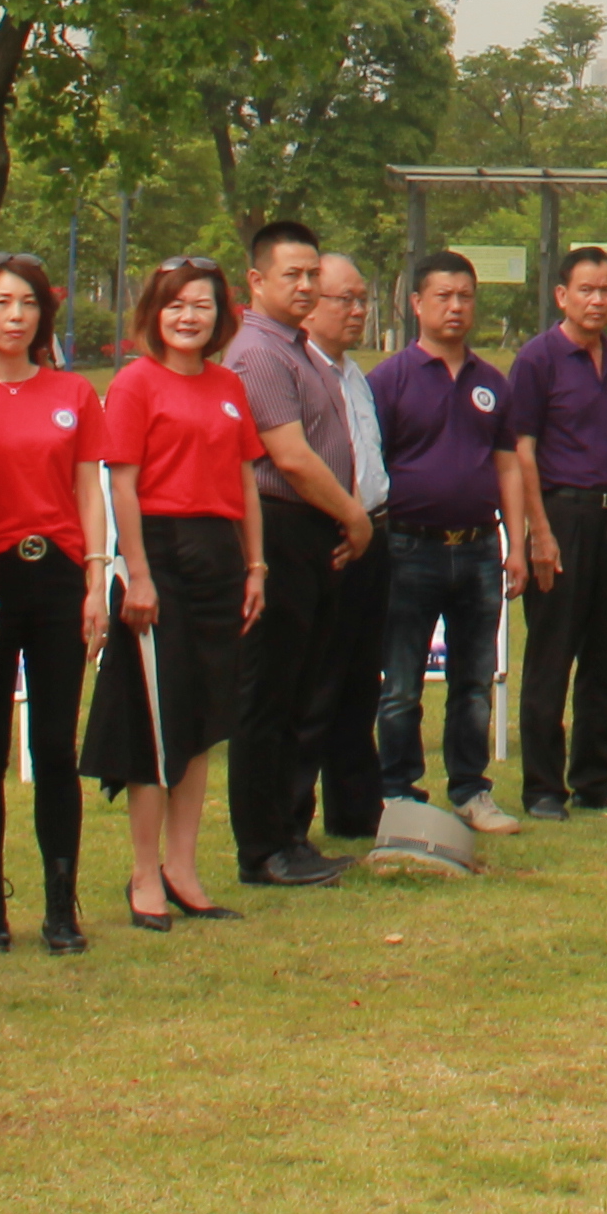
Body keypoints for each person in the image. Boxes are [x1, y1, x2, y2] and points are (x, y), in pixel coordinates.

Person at [85, 259, 259, 926]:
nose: (189, 316)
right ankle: (143, 874)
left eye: (203, 305)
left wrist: (256, 567)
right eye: (176, 305)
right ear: (155, 312)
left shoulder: (227, 386)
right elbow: (121, 484)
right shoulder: (135, 382)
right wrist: (140, 573)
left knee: (203, 722)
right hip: (158, 553)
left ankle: (184, 870)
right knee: (158, 726)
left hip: (220, 555)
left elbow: (244, 483)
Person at [0, 259, 105, 946]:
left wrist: (97, 578)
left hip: (59, 578)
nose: (15, 316)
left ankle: (60, 905)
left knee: (53, 745)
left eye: (27, 305)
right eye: (1, 303)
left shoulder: (73, 391)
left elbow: (88, 491)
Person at [219, 222, 365, 891]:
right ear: (256, 281)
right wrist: (354, 513)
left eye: (313, 274)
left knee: (307, 692)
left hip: (312, 533)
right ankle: (264, 847)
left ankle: (291, 833)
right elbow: (290, 457)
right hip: (280, 529)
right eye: (291, 275)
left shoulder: (299, 348)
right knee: (270, 697)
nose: (305, 286)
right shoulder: (258, 353)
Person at [364, 252, 529, 837]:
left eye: (465, 296)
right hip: (411, 549)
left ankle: (470, 789)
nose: (455, 307)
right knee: (402, 682)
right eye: (443, 296)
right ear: (417, 304)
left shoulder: (492, 382)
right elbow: (370, 467)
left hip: (481, 549)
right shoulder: (388, 380)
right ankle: (397, 790)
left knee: (474, 680)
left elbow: (508, 466)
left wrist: (517, 544)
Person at [509, 250, 607, 822]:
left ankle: (595, 777)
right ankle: (542, 787)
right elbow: (522, 451)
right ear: (561, 294)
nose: (598, 300)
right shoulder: (537, 360)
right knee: (550, 656)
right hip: (563, 517)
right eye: (586, 289)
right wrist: (539, 532)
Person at [309, 256, 396, 835]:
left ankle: (356, 808)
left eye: (362, 299)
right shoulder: (296, 372)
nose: (358, 311)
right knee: (318, 683)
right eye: (345, 300)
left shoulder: (355, 374)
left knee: (363, 681)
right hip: (329, 540)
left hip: (375, 537)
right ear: (309, 303)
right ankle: (291, 817)